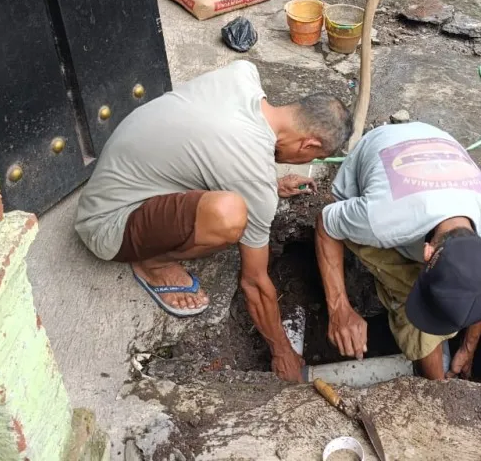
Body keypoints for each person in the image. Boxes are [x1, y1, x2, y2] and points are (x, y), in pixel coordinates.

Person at [75, 61, 351, 382]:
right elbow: (254, 283)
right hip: (107, 223)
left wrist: (268, 184)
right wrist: (282, 351)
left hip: (119, 178)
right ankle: (152, 263)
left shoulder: (241, 75)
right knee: (230, 214)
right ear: (310, 145)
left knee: (235, 199)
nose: (310, 162)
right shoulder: (253, 176)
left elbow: (209, 147)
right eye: (315, 158)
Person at [314, 122, 481, 380]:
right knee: (407, 291)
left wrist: (467, 349)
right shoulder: (381, 220)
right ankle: (435, 384)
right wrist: (338, 308)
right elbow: (325, 223)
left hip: (434, 139)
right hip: (381, 151)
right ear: (426, 252)